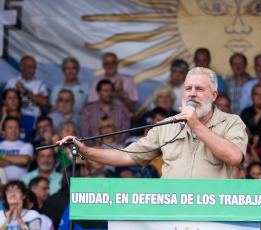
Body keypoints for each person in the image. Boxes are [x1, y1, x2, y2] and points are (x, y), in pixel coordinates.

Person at [57, 67, 248, 179]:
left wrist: (196, 125)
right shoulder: (167, 125)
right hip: (171, 215)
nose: (192, 93)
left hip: (213, 214)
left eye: (199, 89)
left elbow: (234, 157)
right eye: (188, 88)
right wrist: (86, 151)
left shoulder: (231, 122)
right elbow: (127, 156)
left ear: (214, 95)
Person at [81, 79, 131, 145]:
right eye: (105, 91)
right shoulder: (88, 111)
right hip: (94, 151)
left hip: (117, 150)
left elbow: (126, 133)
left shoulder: (122, 110)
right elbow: (85, 135)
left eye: (111, 90)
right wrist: (93, 149)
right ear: (98, 92)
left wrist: (117, 147)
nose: (109, 93)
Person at [0, 116, 33, 181]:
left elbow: (24, 161)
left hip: (20, 185)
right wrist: (17, 161)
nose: (13, 130)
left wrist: (2, 156)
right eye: (10, 127)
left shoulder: (27, 146)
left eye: (16, 127)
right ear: (3, 131)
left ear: (20, 130)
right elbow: (21, 162)